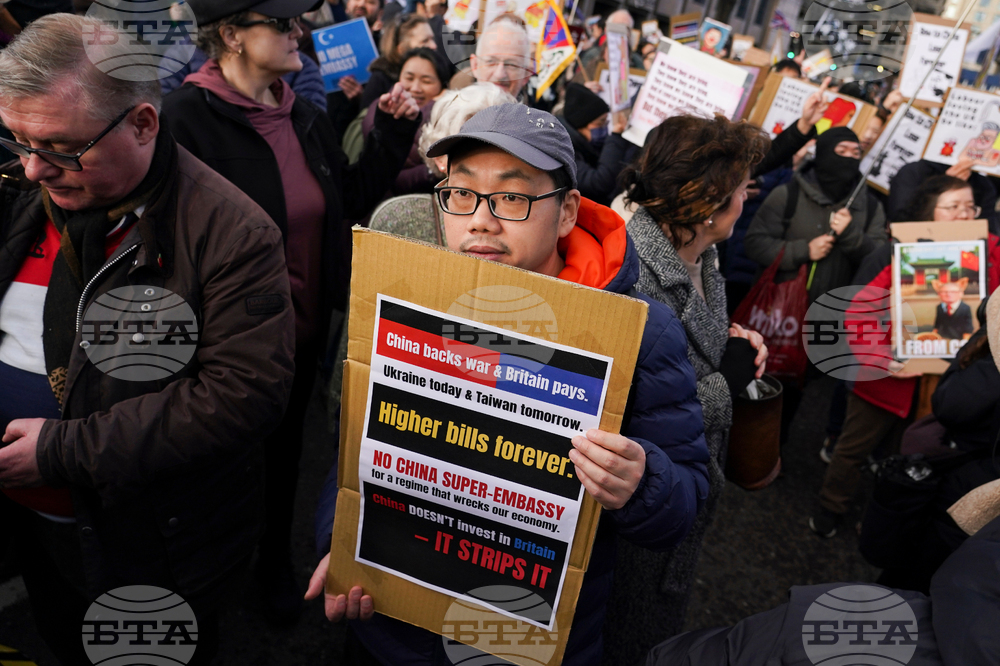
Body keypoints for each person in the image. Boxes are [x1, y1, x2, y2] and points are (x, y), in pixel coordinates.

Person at [306, 103, 711, 666]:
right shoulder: (409, 298)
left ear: (567, 211)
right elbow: (355, 449)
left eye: (512, 198)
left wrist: (641, 481)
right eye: (461, 194)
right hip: (389, 624)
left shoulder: (637, 331)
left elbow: (686, 503)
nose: (480, 221)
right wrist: (340, 542)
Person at [0, 14, 295, 664]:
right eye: (16, 139)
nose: (31, 168)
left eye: (59, 147)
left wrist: (63, 450)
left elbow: (244, 395)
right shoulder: (24, 193)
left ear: (142, 122)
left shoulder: (232, 233)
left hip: (153, 546)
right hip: (41, 535)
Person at [160, 0, 420, 624]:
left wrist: (387, 135)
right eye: (280, 23)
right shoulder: (183, 118)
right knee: (215, 468)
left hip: (298, 336)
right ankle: (200, 588)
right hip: (218, 349)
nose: (297, 30)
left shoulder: (302, 114)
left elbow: (347, 204)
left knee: (283, 462)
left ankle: (273, 564)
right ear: (231, 36)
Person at [601, 115, 770, 664]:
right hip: (641, 497)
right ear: (708, 203)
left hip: (687, 479)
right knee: (625, 633)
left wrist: (729, 341)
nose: (749, 198)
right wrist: (727, 384)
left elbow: (694, 341)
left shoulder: (704, 253)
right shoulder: (633, 275)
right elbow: (626, 414)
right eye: (743, 188)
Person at [809, 175, 999, 538]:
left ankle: (885, 517)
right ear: (930, 213)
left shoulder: (989, 254)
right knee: (853, 449)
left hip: (940, 385)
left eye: (970, 206)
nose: (964, 214)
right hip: (885, 378)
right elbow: (857, 311)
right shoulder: (901, 251)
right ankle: (830, 508)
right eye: (953, 206)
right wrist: (879, 357)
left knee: (911, 456)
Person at [744, 127, 887, 303]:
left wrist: (850, 234)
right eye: (841, 151)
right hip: (779, 308)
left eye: (855, 153)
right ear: (825, 154)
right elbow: (755, 244)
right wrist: (804, 251)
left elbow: (880, 260)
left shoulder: (871, 206)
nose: (849, 158)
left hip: (835, 317)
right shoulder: (788, 195)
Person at [359, 47, 448, 194]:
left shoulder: (448, 116)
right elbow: (389, 174)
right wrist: (435, 169)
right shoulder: (381, 107)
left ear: (442, 86)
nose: (415, 88)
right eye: (409, 78)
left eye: (426, 81)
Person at [556, 83, 631, 206]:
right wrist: (616, 138)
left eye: (606, 121)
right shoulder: (563, 150)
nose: (604, 127)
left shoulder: (585, 143)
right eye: (600, 122)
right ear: (580, 124)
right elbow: (599, 182)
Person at [360, 14, 437, 109]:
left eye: (432, 39)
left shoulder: (439, 69)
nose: (433, 46)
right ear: (401, 49)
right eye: (425, 41)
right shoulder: (380, 79)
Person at [469, 14, 534, 99]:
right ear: (475, 65)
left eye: (511, 65)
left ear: (526, 74)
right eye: (491, 62)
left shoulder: (538, 108)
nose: (499, 74)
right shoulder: (453, 107)